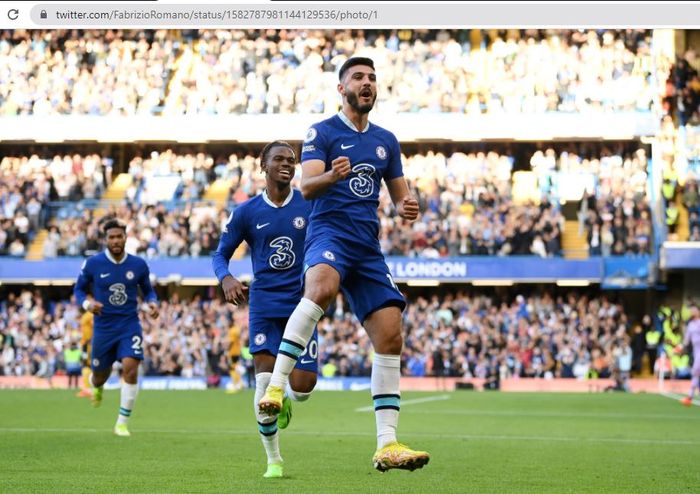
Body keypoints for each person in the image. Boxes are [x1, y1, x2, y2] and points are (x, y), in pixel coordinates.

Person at [258, 57, 429, 472]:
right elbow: (308, 186)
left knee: (390, 336)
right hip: (329, 234)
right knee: (319, 290)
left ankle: (386, 444)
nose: (367, 83)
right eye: (358, 77)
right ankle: (277, 387)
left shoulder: (387, 139)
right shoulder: (322, 132)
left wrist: (409, 206)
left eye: (372, 78)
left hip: (367, 247)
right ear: (342, 88)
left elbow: (399, 195)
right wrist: (332, 176)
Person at [212, 141, 317, 479]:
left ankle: (286, 395)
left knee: (301, 389)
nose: (287, 164)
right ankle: (274, 460)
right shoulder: (246, 212)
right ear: (263, 166)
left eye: (292, 160)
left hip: (301, 306)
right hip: (263, 306)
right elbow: (219, 254)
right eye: (279, 159)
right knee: (263, 385)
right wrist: (226, 277)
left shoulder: (309, 204)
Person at [74, 218, 158, 437]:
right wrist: (87, 304)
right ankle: (97, 386)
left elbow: (149, 290)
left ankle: (122, 423)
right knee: (100, 375)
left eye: (119, 236)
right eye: (111, 237)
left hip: (129, 325)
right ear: (105, 240)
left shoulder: (138, 264)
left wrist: (152, 303)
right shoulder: (93, 264)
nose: (115, 240)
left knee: (131, 366)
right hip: (103, 327)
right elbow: (79, 291)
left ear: (125, 237)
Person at [681, 304, 700, 406]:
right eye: (691, 310)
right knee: (696, 373)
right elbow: (686, 340)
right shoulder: (690, 325)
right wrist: (680, 347)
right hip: (696, 352)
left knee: (695, 372)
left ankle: (689, 396)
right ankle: (689, 397)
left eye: (694, 310)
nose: (692, 312)